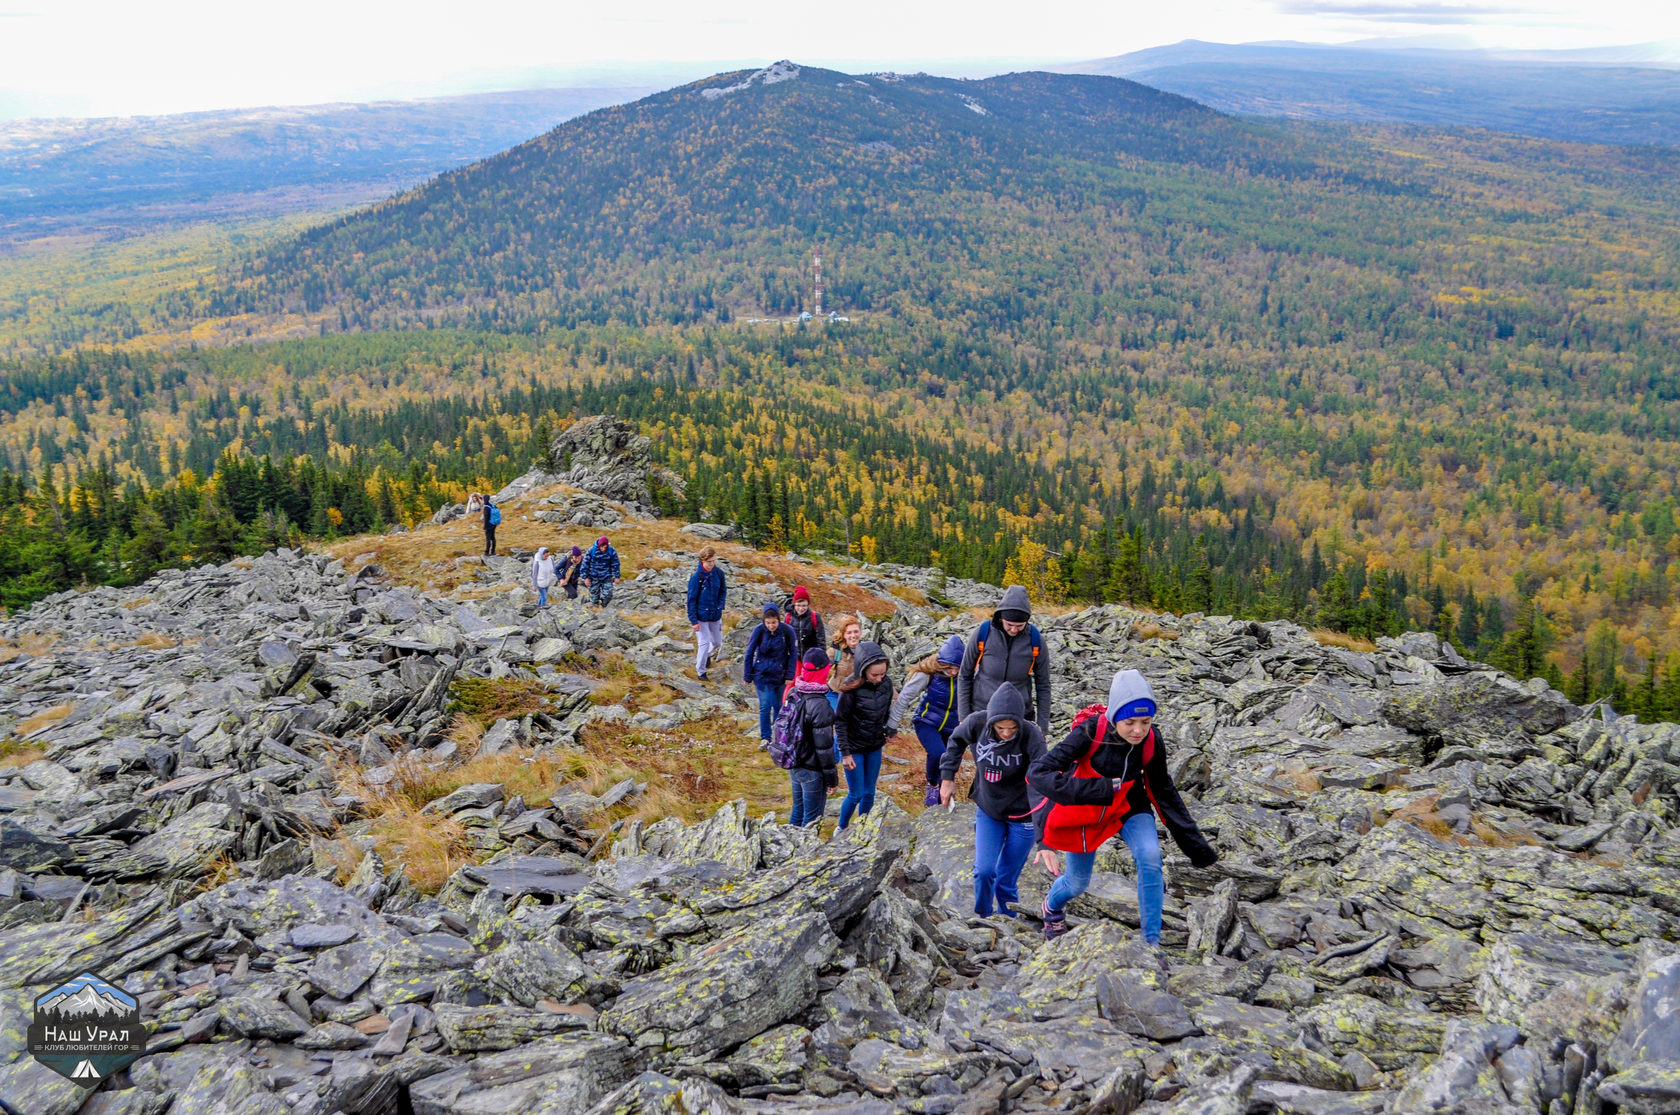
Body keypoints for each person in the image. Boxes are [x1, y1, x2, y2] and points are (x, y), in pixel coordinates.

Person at [1027, 669, 1218, 951]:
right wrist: (1098, 790)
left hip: (1129, 806)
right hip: (1086, 811)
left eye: (1146, 721)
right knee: (1078, 883)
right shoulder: (1090, 732)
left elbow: (1162, 790)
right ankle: (1052, 907)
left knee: (1151, 856)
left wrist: (1196, 847)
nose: (1138, 730)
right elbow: (1038, 773)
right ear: (1115, 715)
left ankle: (1151, 943)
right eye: (1130, 722)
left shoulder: (1152, 740)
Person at [939, 685, 1046, 918]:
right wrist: (947, 778)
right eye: (1000, 728)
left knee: (1006, 880)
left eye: (1012, 728)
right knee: (984, 871)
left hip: (1023, 816)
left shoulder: (1031, 734)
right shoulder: (977, 723)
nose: (1006, 733)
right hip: (990, 809)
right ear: (991, 722)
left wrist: (1044, 830)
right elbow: (955, 742)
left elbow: (1043, 775)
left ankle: (1009, 922)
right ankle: (984, 918)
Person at [957, 585, 1053, 739]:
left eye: (1020, 626)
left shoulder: (1036, 640)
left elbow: (1043, 685)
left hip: (1020, 717)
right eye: (1009, 625)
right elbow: (964, 675)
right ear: (1001, 617)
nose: (1014, 630)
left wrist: (1042, 727)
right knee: (984, 763)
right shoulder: (983, 634)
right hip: (982, 713)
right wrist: (964, 718)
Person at [891, 634, 965, 806]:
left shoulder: (967, 677)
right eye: (949, 668)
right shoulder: (928, 674)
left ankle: (942, 797)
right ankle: (932, 784)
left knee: (950, 759)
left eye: (957, 668)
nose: (953, 672)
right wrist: (892, 725)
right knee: (938, 753)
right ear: (942, 663)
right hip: (926, 721)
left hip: (952, 726)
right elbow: (905, 697)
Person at [835, 641, 895, 830]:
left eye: (882, 674)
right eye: (874, 675)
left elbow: (885, 711)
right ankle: (841, 828)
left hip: (874, 746)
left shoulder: (886, 684)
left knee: (869, 793)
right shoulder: (850, 687)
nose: (879, 678)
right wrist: (845, 753)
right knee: (856, 794)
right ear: (863, 670)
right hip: (853, 748)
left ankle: (863, 828)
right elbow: (840, 721)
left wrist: (886, 730)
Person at [787, 648, 839, 827]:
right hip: (812, 769)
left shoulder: (794, 692)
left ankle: (785, 848)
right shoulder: (821, 705)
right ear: (823, 671)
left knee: (798, 810)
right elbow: (824, 748)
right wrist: (832, 780)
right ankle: (806, 853)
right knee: (812, 819)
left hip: (795, 763)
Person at [744, 601, 798, 747]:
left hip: (780, 675)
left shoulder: (787, 631)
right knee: (765, 705)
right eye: (768, 623)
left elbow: (793, 653)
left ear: (778, 620)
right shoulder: (759, 630)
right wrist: (747, 675)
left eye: (774, 622)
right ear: (764, 621)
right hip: (762, 674)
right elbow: (749, 652)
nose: (771, 626)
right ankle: (765, 737)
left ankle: (778, 736)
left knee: (778, 706)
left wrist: (790, 675)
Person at [687, 547, 727, 681]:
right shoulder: (696, 578)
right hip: (701, 617)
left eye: (713, 561)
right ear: (702, 561)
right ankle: (701, 672)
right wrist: (694, 621)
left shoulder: (719, 574)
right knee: (703, 643)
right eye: (708, 561)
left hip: (715, 615)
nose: (711, 564)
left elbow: (723, 591)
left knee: (716, 642)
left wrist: (720, 606)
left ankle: (706, 656)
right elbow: (691, 600)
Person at [784, 587, 827, 657]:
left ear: (808, 604)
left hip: (811, 657)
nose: (801, 609)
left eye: (804, 605)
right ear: (794, 604)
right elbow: (785, 639)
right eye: (798, 605)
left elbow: (821, 640)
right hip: (794, 657)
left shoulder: (815, 617)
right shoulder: (788, 617)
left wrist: (821, 657)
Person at [580, 535, 621, 607]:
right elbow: (585, 564)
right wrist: (585, 577)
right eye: (603, 547)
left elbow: (615, 564)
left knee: (608, 595)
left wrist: (616, 576)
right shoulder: (591, 551)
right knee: (594, 598)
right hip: (593, 577)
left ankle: (604, 607)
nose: (604, 549)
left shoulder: (611, 551)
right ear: (599, 545)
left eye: (606, 547)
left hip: (607, 577)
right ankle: (595, 609)